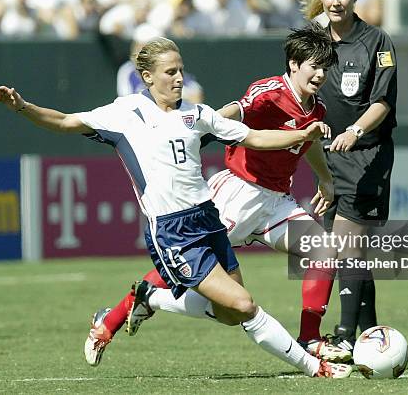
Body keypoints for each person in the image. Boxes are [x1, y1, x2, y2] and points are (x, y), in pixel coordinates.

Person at [0, 37, 351, 379]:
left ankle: (154, 298)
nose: (180, 78)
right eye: (171, 72)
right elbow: (66, 121)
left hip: (212, 215)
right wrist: (22, 106)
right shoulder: (126, 112)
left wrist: (304, 138)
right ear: (146, 77)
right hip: (182, 224)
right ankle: (312, 364)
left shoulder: (196, 112)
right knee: (241, 304)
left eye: (181, 70)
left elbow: (254, 137)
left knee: (233, 310)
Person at [97, 22, 351, 364]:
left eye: (324, 67)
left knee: (324, 250)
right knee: (186, 264)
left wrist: (325, 178)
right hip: (238, 194)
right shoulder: (269, 92)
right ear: (294, 64)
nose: (320, 74)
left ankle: (310, 338)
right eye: (314, 66)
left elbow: (309, 142)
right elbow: (233, 113)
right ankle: (112, 319)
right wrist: (194, 132)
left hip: (276, 203)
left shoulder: (315, 108)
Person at [295, 0, 398, 354]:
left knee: (345, 247)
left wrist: (354, 131)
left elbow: (383, 102)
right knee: (349, 251)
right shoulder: (311, 41)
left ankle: (342, 336)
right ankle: (373, 340)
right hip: (326, 161)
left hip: (366, 156)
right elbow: (298, 97)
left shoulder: (377, 41)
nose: (336, 2)